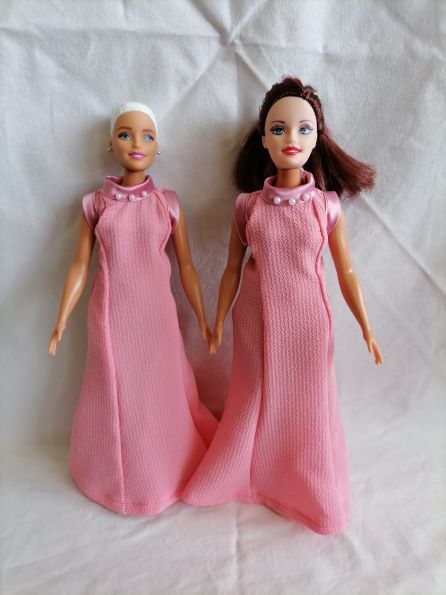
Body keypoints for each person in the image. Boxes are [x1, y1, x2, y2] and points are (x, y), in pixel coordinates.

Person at [183, 78, 382, 535]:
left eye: (303, 129)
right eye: (279, 129)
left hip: (309, 321)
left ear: (317, 138)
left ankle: (306, 486)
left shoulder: (326, 207)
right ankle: (249, 473)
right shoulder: (248, 206)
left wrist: (366, 326)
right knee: (254, 396)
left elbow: (347, 271)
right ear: (263, 139)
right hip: (254, 320)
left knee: (307, 403)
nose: (291, 138)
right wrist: (217, 320)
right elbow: (231, 270)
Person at [49, 102, 217, 515]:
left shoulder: (168, 204)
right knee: (115, 394)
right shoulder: (95, 204)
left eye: (147, 136)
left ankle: (165, 468)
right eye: (125, 135)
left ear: (158, 146)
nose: (136, 143)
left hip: (157, 316)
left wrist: (201, 316)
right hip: (111, 316)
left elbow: (188, 266)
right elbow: (79, 265)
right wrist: (61, 320)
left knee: (159, 391)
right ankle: (109, 474)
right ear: (111, 143)